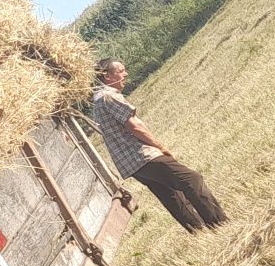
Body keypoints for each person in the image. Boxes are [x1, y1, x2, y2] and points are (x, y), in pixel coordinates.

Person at [90, 59, 228, 232]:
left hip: (130, 165)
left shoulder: (98, 100)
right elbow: (135, 126)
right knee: (192, 179)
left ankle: (200, 232)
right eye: (121, 71)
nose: (126, 74)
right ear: (107, 76)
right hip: (142, 156)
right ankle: (221, 224)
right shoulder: (108, 96)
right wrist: (160, 147)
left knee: (170, 194)